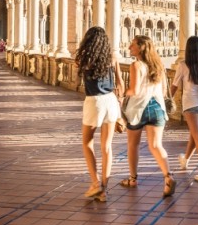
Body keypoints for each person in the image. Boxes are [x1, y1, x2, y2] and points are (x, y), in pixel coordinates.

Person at [120, 35, 175, 196]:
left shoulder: (136, 65)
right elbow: (164, 91)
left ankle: (133, 178)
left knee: (133, 144)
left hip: (138, 109)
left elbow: (134, 91)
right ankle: (168, 176)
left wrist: (122, 93)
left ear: (141, 48)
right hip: (157, 107)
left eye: (133, 44)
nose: (130, 47)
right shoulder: (159, 65)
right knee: (156, 145)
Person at [75, 26, 123, 202]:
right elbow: (121, 84)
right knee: (107, 147)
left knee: (87, 143)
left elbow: (78, 71)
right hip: (111, 100)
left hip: (94, 101)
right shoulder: (112, 58)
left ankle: (95, 183)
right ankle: (104, 189)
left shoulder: (84, 59)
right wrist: (120, 104)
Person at [173, 35, 198, 183]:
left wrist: (167, 100)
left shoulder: (183, 65)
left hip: (190, 103)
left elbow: (175, 85)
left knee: (197, 135)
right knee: (195, 133)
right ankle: (185, 159)